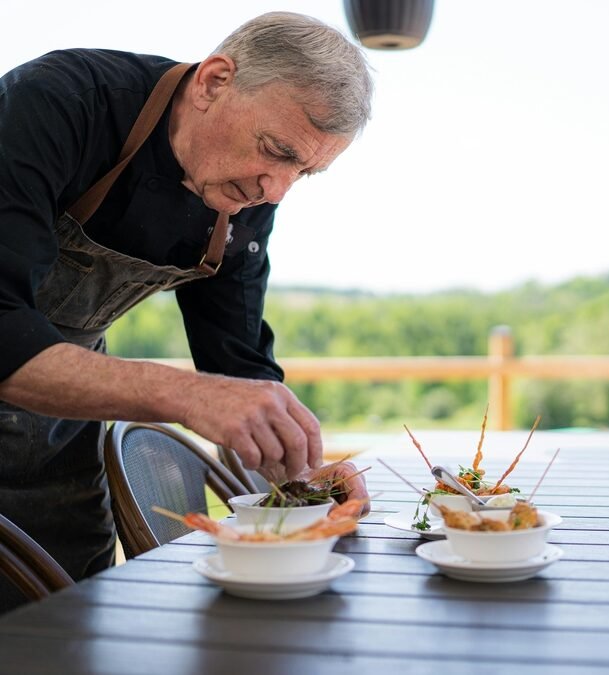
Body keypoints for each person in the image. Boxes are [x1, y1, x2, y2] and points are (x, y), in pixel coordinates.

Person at [0, 11, 372, 608]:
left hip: (61, 429)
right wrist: (187, 396)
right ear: (214, 81)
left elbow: (238, 362)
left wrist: (300, 476)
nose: (276, 190)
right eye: (276, 151)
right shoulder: (60, 103)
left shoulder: (244, 190)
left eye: (303, 171)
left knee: (71, 617)